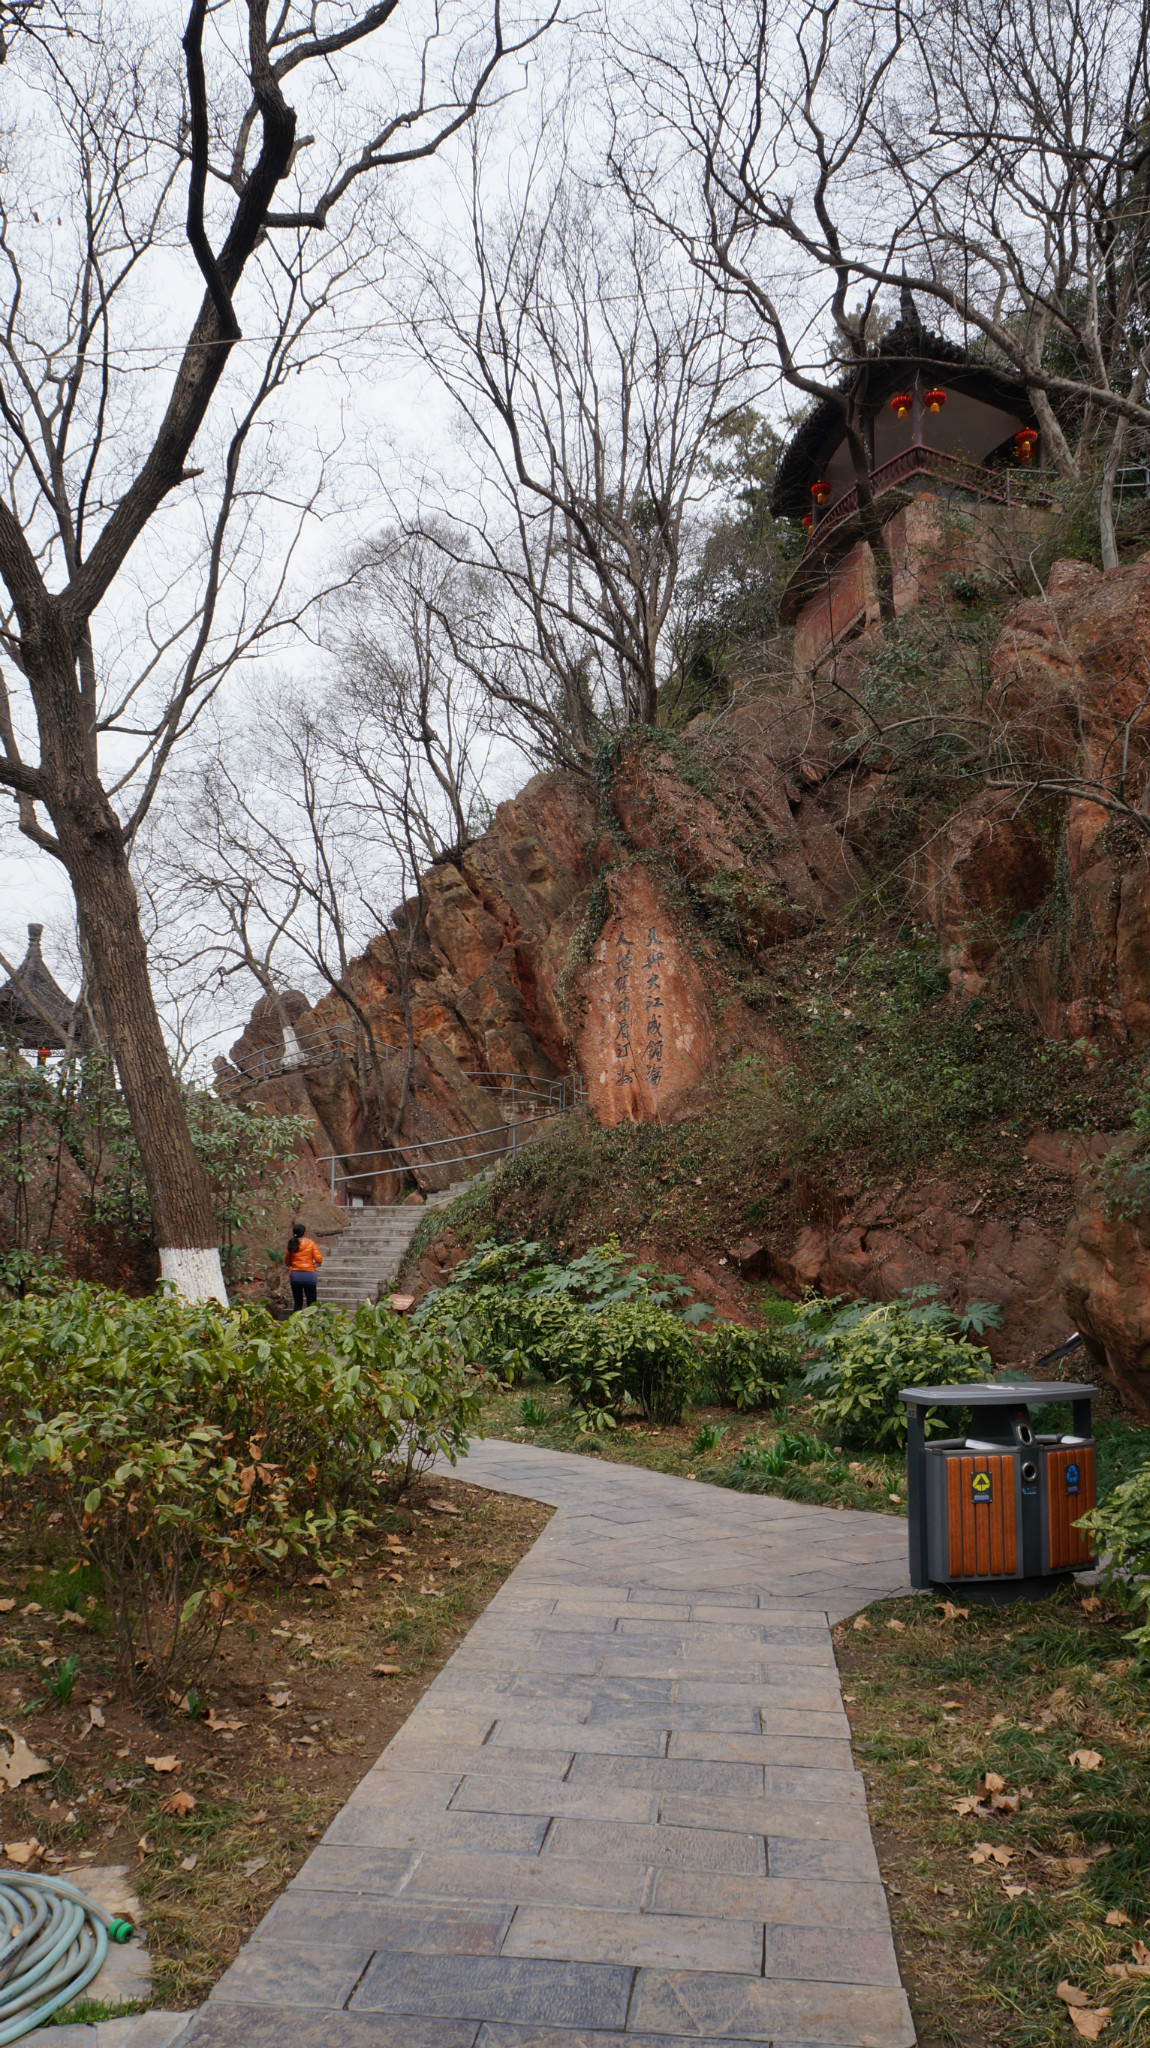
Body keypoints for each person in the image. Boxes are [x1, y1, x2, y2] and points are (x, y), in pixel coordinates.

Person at [284, 1221, 323, 1311]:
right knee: (311, 1303)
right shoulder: (311, 1243)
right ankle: (311, 1319)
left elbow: (287, 1261)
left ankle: (296, 1319)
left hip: (295, 1276)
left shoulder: (291, 1244)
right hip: (309, 1275)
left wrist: (292, 1265)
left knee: (298, 1303)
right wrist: (314, 1263)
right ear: (304, 1233)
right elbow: (319, 1259)